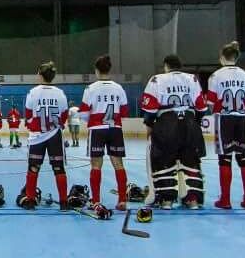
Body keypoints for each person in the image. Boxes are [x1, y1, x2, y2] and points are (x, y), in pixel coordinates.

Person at [140, 55, 207, 209]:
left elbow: (150, 110)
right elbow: (201, 108)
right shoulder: (193, 79)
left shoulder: (156, 79)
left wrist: (150, 127)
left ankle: (166, 199)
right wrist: (193, 125)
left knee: (164, 161)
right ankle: (193, 199)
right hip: (189, 122)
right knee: (191, 161)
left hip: (166, 123)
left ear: (166, 66)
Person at [207, 42, 245, 209]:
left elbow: (212, 102)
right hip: (242, 118)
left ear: (222, 58)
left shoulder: (216, 76)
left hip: (225, 119)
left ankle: (225, 200)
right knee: (244, 158)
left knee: (225, 158)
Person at [80, 55, 130, 210]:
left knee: (96, 165)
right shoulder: (119, 88)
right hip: (115, 129)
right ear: (110, 69)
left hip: (97, 130)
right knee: (118, 164)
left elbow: (83, 115)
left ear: (96, 70)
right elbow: (125, 112)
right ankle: (122, 200)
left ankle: (96, 201)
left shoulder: (91, 89)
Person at [20, 61, 71, 210]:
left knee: (33, 168)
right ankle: (63, 202)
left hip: (37, 137)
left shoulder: (33, 92)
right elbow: (64, 115)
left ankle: (30, 200)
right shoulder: (60, 93)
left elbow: (28, 116)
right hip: (55, 135)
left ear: (39, 75)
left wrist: (34, 127)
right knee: (59, 168)